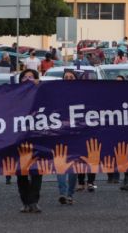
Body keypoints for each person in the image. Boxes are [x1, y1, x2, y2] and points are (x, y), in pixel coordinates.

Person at [17, 69, 43, 213]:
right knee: (21, 171)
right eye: (25, 77)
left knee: (37, 171)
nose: (27, 79)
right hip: (19, 139)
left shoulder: (41, 92)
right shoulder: (13, 95)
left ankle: (34, 201)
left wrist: (40, 84)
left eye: (31, 77)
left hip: (36, 138)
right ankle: (25, 201)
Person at [57, 71, 79, 204]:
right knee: (60, 164)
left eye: (71, 77)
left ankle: (70, 193)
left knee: (73, 166)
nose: (69, 79)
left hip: (76, 135)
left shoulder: (81, 93)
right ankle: (63, 193)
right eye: (66, 77)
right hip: (60, 133)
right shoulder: (57, 93)